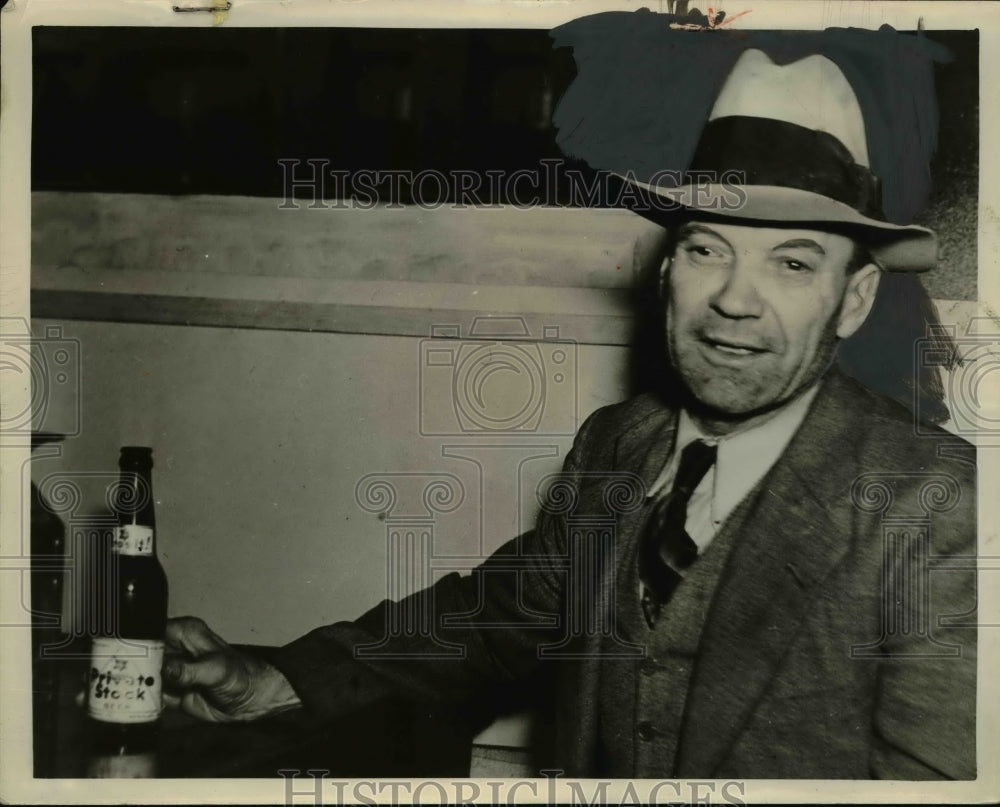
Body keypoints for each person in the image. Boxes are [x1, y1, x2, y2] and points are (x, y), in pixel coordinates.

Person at [162, 47, 977, 779]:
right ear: (667, 273)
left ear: (854, 299)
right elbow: (487, 618)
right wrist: (272, 679)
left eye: (792, 263)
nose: (734, 299)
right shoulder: (618, 446)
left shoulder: (938, 506)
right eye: (706, 248)